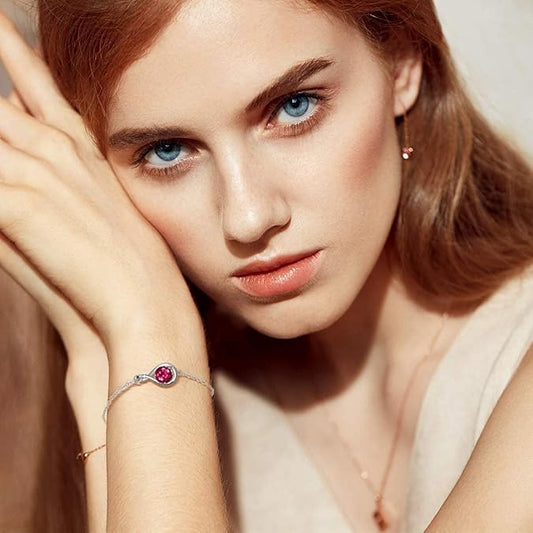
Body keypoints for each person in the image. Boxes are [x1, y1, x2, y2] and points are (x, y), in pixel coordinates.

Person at [1, 1, 533, 531]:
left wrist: (147, 337)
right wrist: (107, 354)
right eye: (167, 151)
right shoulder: (175, 400)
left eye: (294, 107)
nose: (248, 218)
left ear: (401, 64)